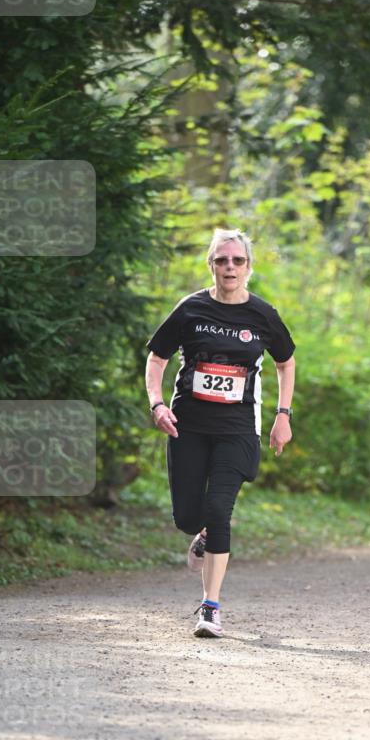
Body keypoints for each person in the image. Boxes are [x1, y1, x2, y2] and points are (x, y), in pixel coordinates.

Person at [144, 228, 296, 637]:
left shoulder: (262, 315)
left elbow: (286, 362)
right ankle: (201, 533)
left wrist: (283, 414)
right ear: (211, 265)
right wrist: (156, 403)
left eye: (238, 260)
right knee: (188, 517)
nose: (230, 267)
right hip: (188, 426)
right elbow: (157, 358)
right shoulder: (190, 309)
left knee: (218, 510)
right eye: (222, 260)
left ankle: (210, 608)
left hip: (238, 429)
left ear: (248, 266)